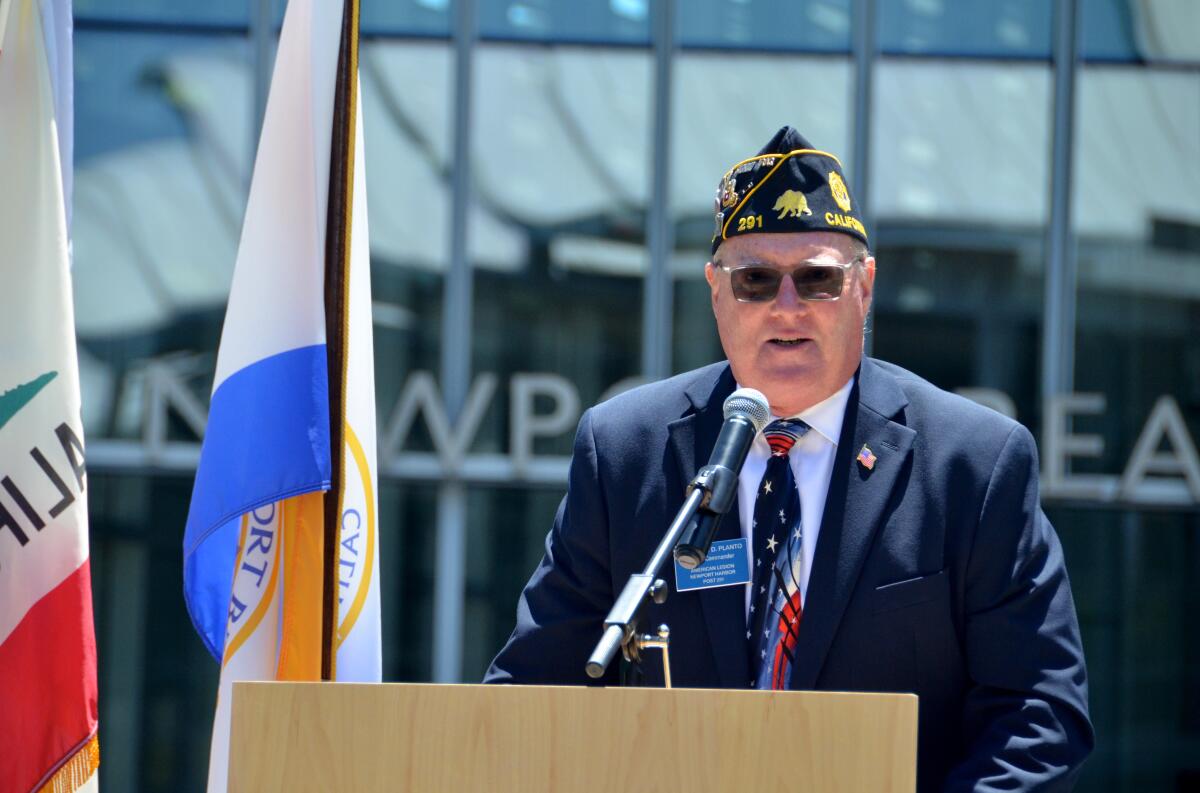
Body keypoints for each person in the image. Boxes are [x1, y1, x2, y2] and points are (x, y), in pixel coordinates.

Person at [484, 126, 1093, 791]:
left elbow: (1039, 713)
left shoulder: (973, 465)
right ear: (716, 292)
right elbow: (533, 690)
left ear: (864, 288)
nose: (787, 305)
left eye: (817, 278)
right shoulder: (626, 451)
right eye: (755, 279)